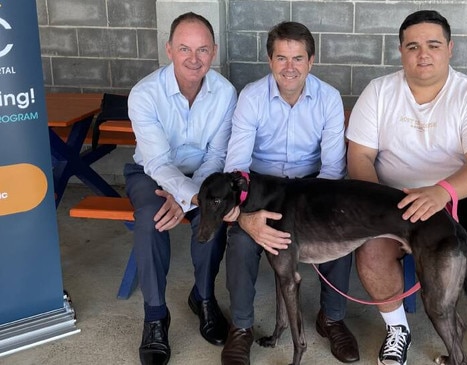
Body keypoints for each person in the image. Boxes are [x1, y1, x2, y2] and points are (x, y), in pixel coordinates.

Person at [345, 10, 467, 365]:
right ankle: (397, 328)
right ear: (400, 50)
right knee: (371, 250)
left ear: (450, 48)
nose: (423, 54)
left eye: (433, 44)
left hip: (462, 194)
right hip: (393, 198)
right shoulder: (379, 91)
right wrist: (381, 206)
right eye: (412, 46)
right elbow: (360, 158)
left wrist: (441, 191)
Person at [220, 21, 359, 365]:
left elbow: (331, 167)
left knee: (340, 233)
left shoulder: (327, 98)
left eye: (298, 58)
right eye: (281, 58)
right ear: (270, 61)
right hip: (262, 185)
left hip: (312, 186)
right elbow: (237, 166)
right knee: (240, 240)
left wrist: (320, 215)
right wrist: (247, 215)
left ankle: (332, 318)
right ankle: (241, 327)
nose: (290, 67)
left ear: (311, 61)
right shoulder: (252, 97)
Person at [124, 12, 237, 365]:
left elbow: (217, 155)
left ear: (214, 52)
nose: (194, 58)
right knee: (149, 216)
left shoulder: (225, 92)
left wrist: (194, 195)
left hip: (204, 176)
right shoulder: (145, 94)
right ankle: (156, 315)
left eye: (203, 49)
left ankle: (203, 297)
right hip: (149, 173)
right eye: (185, 48)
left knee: (213, 212)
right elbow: (156, 162)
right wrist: (184, 195)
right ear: (169, 49)